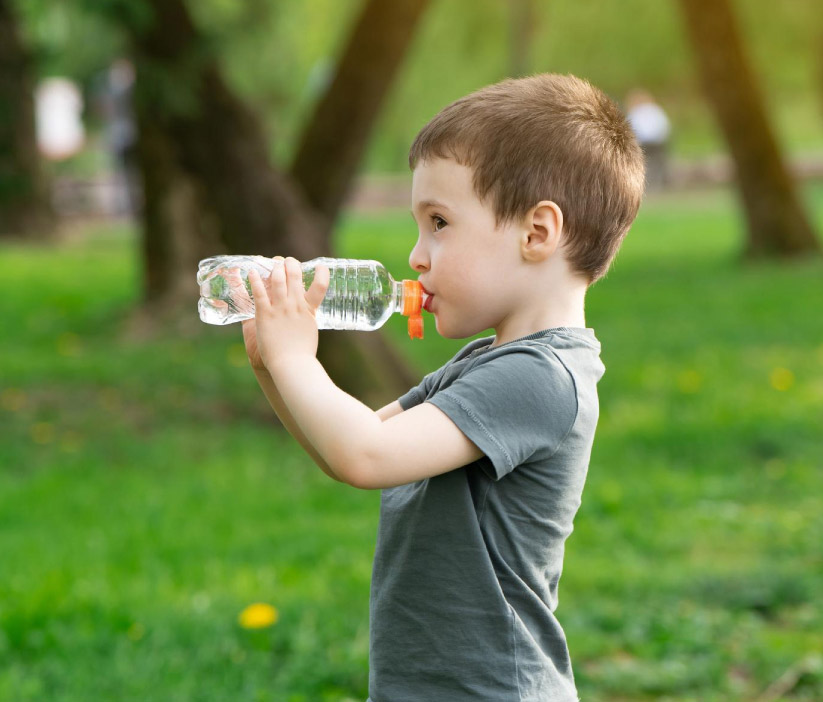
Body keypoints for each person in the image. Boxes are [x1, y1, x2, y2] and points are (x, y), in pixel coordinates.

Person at [237, 73, 644, 701]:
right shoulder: (487, 362)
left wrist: (299, 362)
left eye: (440, 223)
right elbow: (350, 449)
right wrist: (272, 365)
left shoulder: (540, 378)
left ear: (537, 233)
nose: (418, 256)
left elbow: (363, 455)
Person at [624, 88, 672, 191]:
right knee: (657, 159)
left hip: (645, 145)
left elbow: (632, 131)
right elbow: (665, 128)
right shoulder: (657, 110)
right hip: (659, 144)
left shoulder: (636, 112)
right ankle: (658, 181)